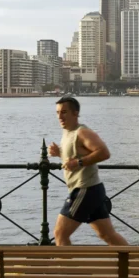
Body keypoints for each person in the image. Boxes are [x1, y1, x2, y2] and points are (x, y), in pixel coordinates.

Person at [48, 96, 127, 246]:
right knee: (107, 235)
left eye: (64, 112)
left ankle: (65, 269)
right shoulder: (67, 133)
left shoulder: (82, 132)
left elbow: (103, 152)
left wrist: (78, 162)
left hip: (85, 189)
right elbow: (74, 156)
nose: (60, 116)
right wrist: (59, 153)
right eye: (57, 112)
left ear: (75, 113)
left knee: (60, 233)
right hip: (93, 190)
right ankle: (136, 265)